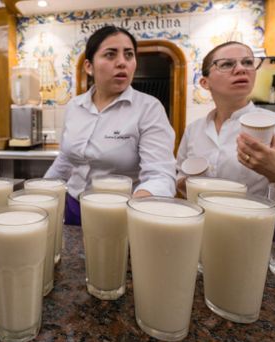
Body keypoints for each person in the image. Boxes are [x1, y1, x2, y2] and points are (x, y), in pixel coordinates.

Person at [44, 26, 176, 225]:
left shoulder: (149, 108)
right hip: (73, 206)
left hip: (120, 213)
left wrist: (137, 206)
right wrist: (40, 193)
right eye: (110, 54)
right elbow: (65, 159)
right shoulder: (74, 106)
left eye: (129, 55)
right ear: (89, 66)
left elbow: (160, 174)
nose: (122, 62)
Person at [176, 41, 275, 197]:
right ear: (205, 82)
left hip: (260, 221)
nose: (241, 69)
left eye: (248, 62)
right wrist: (185, 183)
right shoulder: (193, 130)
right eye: (226, 64)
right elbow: (181, 178)